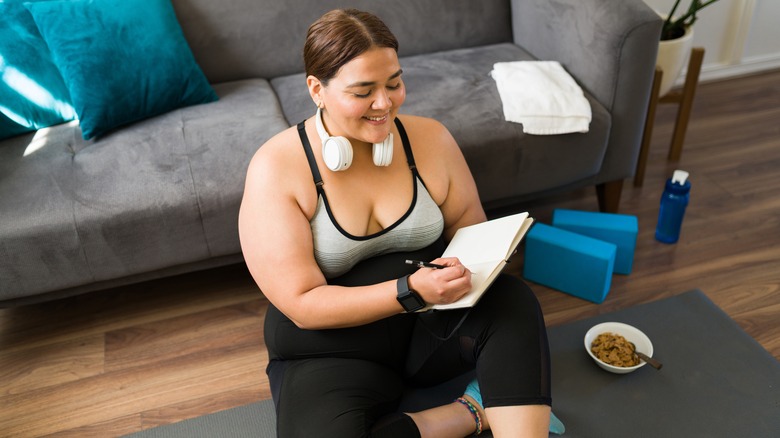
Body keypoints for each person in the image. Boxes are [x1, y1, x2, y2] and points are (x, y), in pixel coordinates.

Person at [238, 8, 555, 437]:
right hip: (330, 351)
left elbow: (468, 225)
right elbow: (302, 304)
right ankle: (467, 412)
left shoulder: (430, 139)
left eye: (394, 83)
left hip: (429, 327)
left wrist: (473, 262)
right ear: (317, 89)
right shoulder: (276, 167)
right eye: (363, 91)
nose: (385, 103)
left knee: (512, 299)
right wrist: (409, 291)